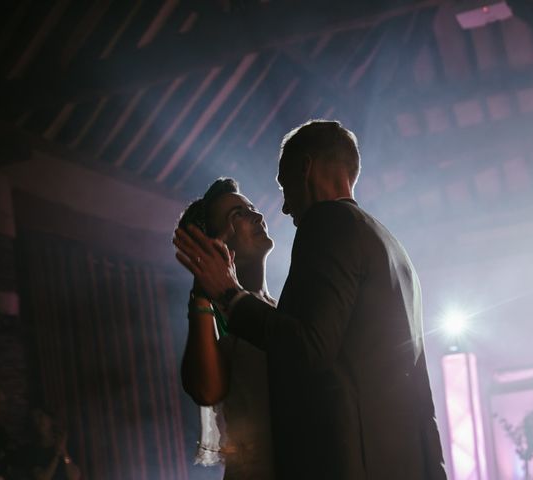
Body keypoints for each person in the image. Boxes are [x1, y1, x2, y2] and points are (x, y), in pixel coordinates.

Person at [174, 120, 447, 479]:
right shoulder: (387, 243)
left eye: (284, 186)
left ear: (304, 169)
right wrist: (210, 292)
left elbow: (309, 348)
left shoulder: (327, 224)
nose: (283, 209)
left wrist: (230, 294)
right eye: (238, 214)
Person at [175, 178, 276, 479]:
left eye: (252, 209)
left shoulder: (280, 305)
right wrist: (204, 288)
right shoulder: (216, 314)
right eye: (238, 216)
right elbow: (207, 390)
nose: (257, 217)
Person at [21, 407, 80, 480]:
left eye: (40, 415)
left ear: (50, 419)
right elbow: (43, 478)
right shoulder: (32, 450)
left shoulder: (65, 443)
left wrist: (64, 452)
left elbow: (74, 476)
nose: (38, 421)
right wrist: (57, 455)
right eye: (34, 418)